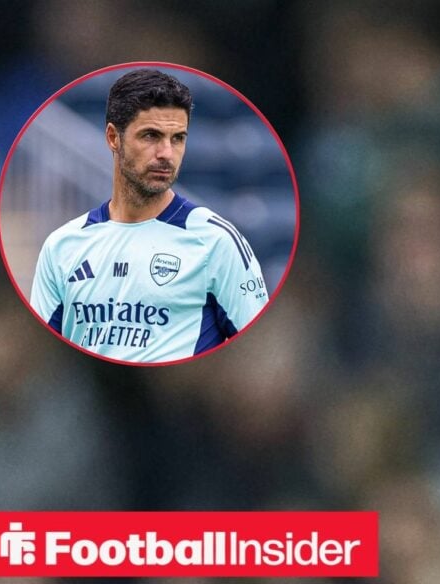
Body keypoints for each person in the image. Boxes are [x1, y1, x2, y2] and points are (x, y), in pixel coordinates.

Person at [29, 68, 268, 364]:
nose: (166, 154)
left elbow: (253, 349)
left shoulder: (217, 242)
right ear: (113, 138)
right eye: (151, 136)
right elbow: (47, 358)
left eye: (177, 138)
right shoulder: (62, 245)